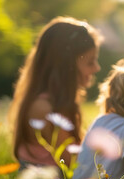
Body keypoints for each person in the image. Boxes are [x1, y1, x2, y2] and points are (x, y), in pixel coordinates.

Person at [9, 17, 102, 168]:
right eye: (90, 62)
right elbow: (76, 164)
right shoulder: (44, 109)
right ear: (66, 66)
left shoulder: (57, 104)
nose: (97, 68)